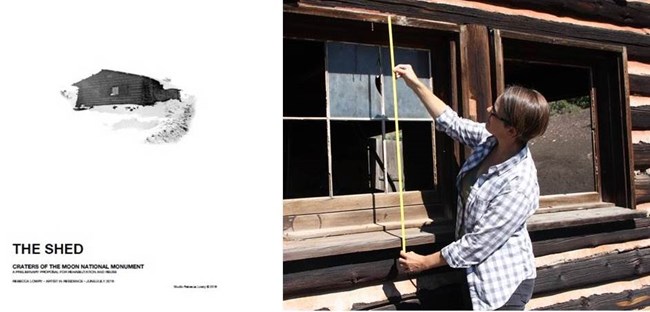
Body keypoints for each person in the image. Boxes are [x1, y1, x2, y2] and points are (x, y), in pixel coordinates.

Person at [394, 64, 550, 310]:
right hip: (474, 276)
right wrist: (414, 82)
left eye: (495, 112)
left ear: (511, 130)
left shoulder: (519, 185)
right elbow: (452, 123)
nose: (488, 109)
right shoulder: (491, 141)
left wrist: (423, 263)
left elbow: (477, 244)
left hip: (501, 286)